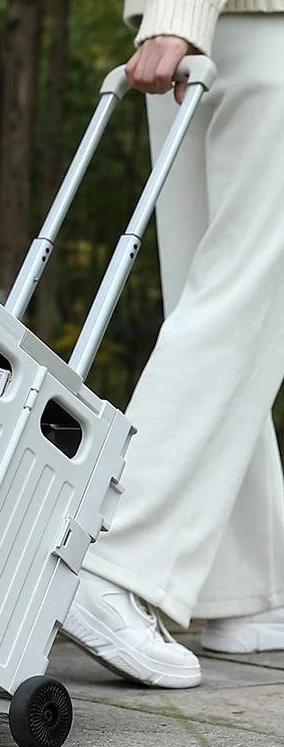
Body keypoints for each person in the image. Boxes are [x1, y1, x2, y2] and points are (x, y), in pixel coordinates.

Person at [61, 0, 284, 688]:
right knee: (245, 304)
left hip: (205, 34)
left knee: (212, 300)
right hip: (256, 32)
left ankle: (239, 593)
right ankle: (115, 559)